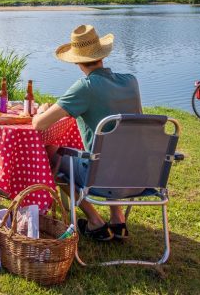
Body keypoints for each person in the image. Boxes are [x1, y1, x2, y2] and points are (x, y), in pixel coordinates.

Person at [32, 24, 142, 241]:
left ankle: (95, 221)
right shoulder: (131, 81)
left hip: (103, 176)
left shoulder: (85, 87)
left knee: (53, 156)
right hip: (140, 174)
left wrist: (42, 110)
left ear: (77, 61)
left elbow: (39, 124)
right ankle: (118, 219)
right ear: (103, 55)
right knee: (116, 152)